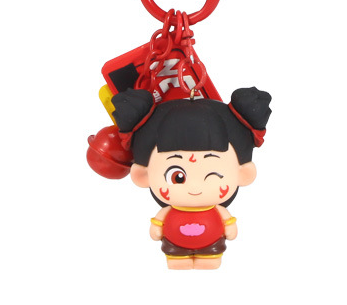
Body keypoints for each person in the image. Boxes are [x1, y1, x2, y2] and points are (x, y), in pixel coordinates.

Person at [111, 86, 272, 269]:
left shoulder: (216, 209)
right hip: (174, 244)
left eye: (212, 175)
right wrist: (156, 227)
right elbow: (158, 222)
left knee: (211, 257)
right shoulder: (171, 208)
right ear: (142, 175)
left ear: (244, 174)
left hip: (212, 243)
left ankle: (209, 258)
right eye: (177, 177)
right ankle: (178, 259)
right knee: (176, 258)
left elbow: (228, 222)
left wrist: (229, 226)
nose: (195, 187)